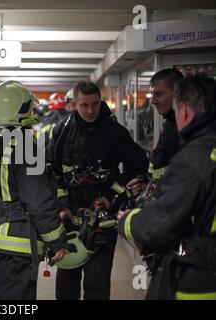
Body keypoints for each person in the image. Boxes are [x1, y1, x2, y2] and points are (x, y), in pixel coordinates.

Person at [47, 81, 148, 300]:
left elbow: (138, 164)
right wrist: (62, 207)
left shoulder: (114, 132)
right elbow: (51, 172)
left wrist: (111, 196)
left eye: (95, 104)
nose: (91, 110)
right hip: (69, 220)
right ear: (74, 104)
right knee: (66, 282)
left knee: (97, 284)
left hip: (103, 221)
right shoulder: (62, 131)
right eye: (84, 105)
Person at [118, 74, 216, 300]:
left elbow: (156, 225)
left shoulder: (194, 158)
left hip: (201, 278)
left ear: (183, 111)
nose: (153, 100)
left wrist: (127, 221)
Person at [0, 80, 70, 300]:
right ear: (22, 108)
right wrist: (57, 241)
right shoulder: (26, 145)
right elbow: (37, 201)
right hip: (16, 249)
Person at [127, 69, 184, 196]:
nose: (153, 101)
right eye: (152, 94)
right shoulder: (170, 125)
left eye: (159, 94)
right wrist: (147, 186)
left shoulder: (184, 130)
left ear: (177, 94)